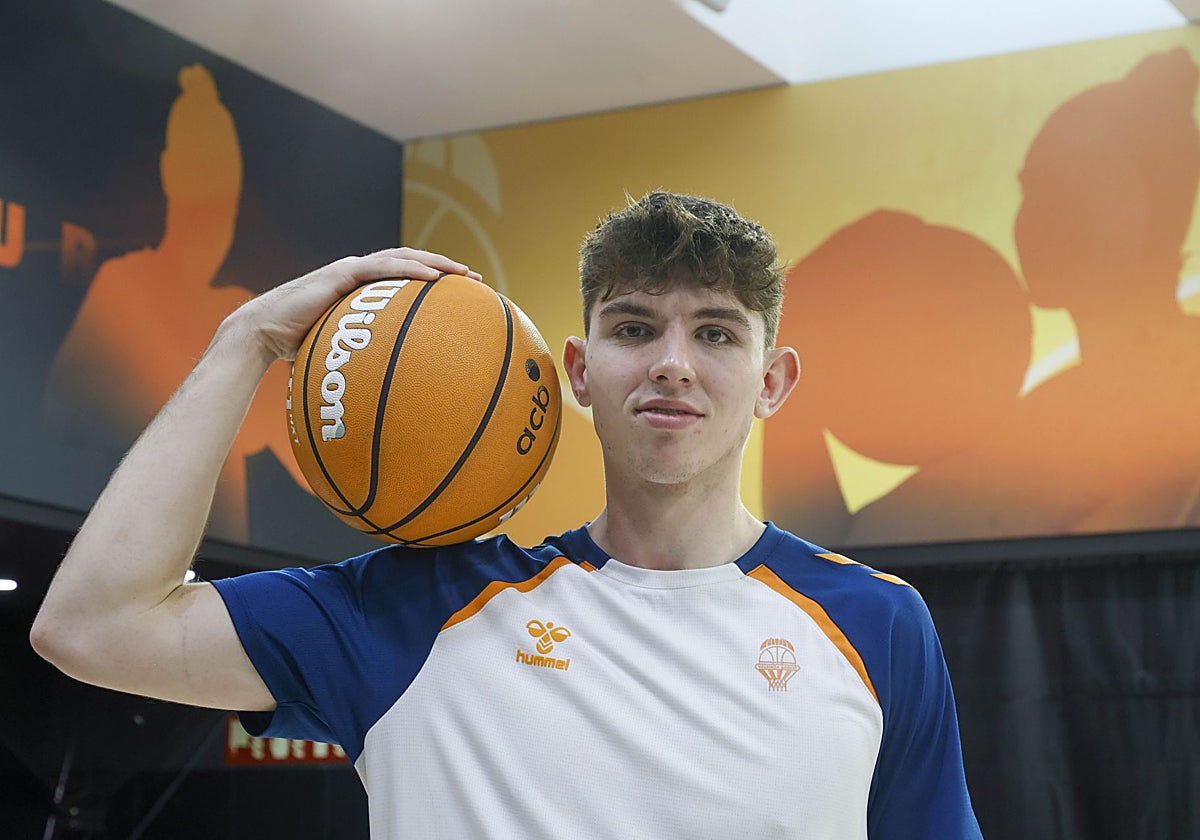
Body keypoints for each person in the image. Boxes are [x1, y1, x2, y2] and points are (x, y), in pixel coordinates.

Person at [31, 192, 983, 839]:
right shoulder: (410, 613)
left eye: (717, 332)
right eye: (635, 327)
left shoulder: (877, 624)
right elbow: (91, 625)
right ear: (577, 371)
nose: (672, 363)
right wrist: (245, 342)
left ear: (772, 381)